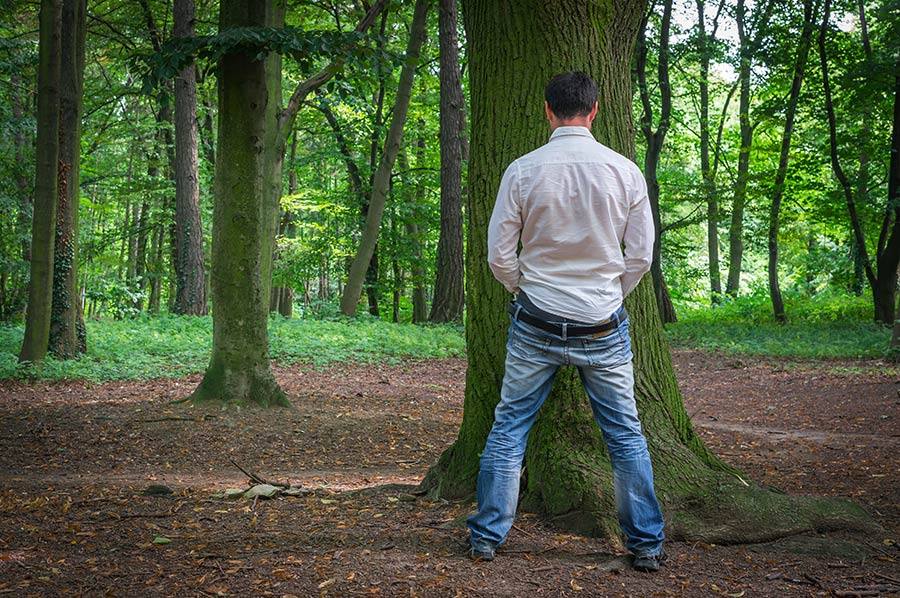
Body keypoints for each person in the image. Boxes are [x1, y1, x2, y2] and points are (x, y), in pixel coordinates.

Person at [465, 71, 666, 572]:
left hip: (535, 320)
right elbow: (640, 255)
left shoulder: (523, 170)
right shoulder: (624, 171)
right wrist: (608, 295)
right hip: (602, 322)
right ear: (594, 111)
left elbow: (498, 255)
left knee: (509, 427)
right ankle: (644, 543)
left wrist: (522, 289)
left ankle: (487, 535)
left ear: (548, 111)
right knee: (624, 434)